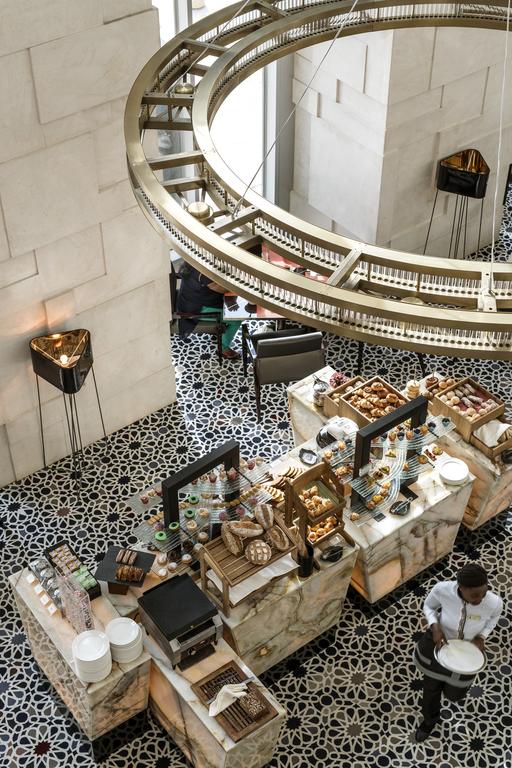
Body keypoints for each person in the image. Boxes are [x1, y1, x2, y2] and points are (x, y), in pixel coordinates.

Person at [414, 563, 503, 742]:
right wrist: (435, 626)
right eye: (474, 595)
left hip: (467, 655)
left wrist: (482, 636)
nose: (480, 599)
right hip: (441, 646)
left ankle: (451, 692)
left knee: (454, 694)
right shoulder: (442, 590)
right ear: (461, 588)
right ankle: (430, 720)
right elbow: (429, 606)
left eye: (483, 592)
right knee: (431, 689)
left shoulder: (494, 602)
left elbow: (493, 619)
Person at [176, 264, 241, 359]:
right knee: (236, 319)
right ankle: (223, 348)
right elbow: (223, 289)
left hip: (187, 300)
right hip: (195, 309)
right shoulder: (202, 274)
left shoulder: (191, 261)